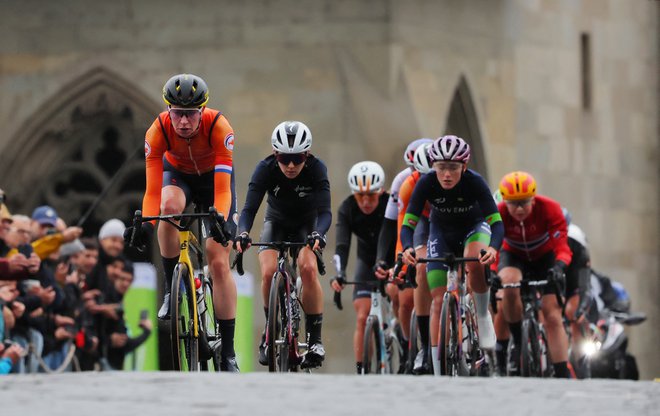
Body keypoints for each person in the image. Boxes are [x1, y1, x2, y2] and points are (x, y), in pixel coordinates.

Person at [125, 74, 239, 372]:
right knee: (167, 208)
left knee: (217, 262)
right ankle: (170, 291)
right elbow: (151, 192)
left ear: (203, 110)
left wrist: (223, 221)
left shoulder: (220, 127)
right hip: (179, 178)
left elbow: (224, 191)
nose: (184, 122)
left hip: (214, 182)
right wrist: (146, 226)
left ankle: (227, 352)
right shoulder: (158, 130)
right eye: (177, 113)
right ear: (168, 111)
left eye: (190, 114)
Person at [400, 135, 502, 375]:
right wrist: (407, 248)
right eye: (441, 168)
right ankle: (438, 369)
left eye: (453, 168)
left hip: (473, 227)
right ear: (433, 166)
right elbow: (408, 224)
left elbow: (496, 223)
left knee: (475, 258)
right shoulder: (426, 183)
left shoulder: (475, 182)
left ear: (463, 167)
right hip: (441, 232)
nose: (446, 174)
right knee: (437, 299)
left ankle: (482, 315)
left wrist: (494, 248)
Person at [235, 120, 331, 369]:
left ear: (306, 155)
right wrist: (242, 233)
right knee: (267, 272)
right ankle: (269, 332)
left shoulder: (317, 169)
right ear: (275, 154)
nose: (290, 165)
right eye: (285, 159)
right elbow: (248, 210)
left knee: (308, 268)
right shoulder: (265, 168)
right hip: (276, 222)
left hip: (306, 226)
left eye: (297, 159)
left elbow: (325, 213)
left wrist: (319, 234)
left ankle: (315, 340)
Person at [496, 171, 572, 378]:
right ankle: (518, 341)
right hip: (514, 255)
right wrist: (493, 273)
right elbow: (492, 247)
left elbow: (563, 247)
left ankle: (562, 371)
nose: (519, 209)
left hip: (544, 258)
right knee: (509, 284)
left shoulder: (550, 209)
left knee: (552, 315)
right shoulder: (498, 212)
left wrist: (559, 267)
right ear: (505, 201)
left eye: (524, 202)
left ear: (533, 199)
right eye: (513, 203)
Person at [330, 161, 389, 374]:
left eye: (371, 196)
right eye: (360, 196)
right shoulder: (347, 208)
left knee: (401, 300)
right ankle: (361, 370)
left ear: (380, 191)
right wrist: (340, 273)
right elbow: (342, 244)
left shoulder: (390, 204)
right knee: (363, 316)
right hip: (366, 260)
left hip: (391, 259)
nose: (365, 202)